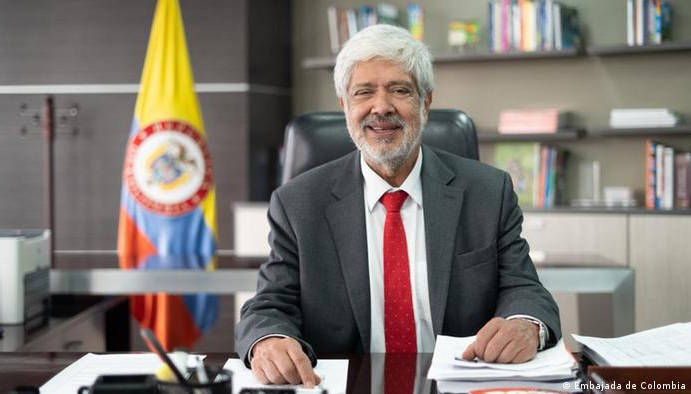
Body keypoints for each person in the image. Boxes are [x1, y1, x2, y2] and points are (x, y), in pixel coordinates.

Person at [235, 24, 561, 388]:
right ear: (345, 105)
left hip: (460, 384)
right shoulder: (298, 203)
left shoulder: (488, 192)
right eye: (364, 93)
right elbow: (268, 306)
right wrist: (268, 341)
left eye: (399, 90)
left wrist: (525, 323)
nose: (381, 107)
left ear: (426, 102)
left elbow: (526, 290)